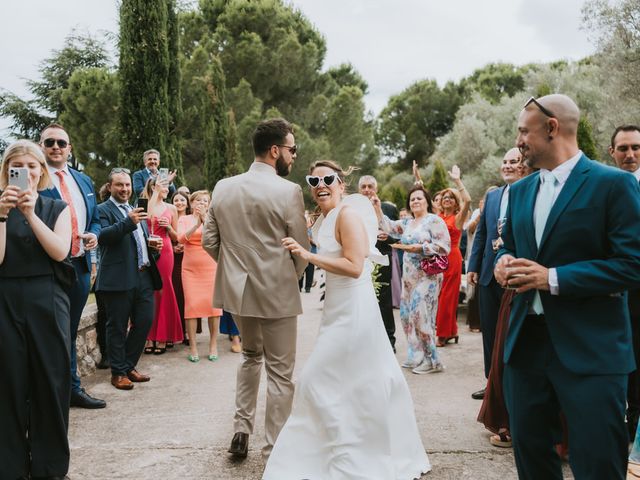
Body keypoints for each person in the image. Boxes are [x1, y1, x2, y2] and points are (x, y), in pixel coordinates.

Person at [494, 94, 640, 479]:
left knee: (598, 462)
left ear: (552, 128)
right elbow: (509, 245)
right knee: (531, 457)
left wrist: (552, 278)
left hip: (592, 349)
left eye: (524, 131)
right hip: (526, 347)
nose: (519, 140)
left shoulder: (614, 185)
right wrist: (502, 263)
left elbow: (632, 265)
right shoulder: (519, 191)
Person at [263, 160, 431, 479]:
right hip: (336, 307)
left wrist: (309, 256)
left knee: (315, 378)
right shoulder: (324, 218)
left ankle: (349, 450)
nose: (320, 184)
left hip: (354, 307)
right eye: (314, 179)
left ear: (342, 184)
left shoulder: (348, 215)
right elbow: (319, 242)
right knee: (348, 378)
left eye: (328, 178)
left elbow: (355, 265)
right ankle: (338, 444)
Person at [202, 118, 309, 459]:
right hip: (277, 290)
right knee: (280, 372)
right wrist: (285, 274)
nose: (294, 157)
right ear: (275, 150)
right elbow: (301, 250)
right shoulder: (288, 191)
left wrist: (236, 269)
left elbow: (209, 241)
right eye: (292, 150)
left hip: (240, 291)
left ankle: (240, 430)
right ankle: (275, 449)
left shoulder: (223, 187)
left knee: (249, 357)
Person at [0, 140, 72, 479]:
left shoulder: (55, 207)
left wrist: (29, 213)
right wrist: (3, 215)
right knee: (9, 382)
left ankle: (49, 467)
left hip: (47, 297)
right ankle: (10, 466)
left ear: (42, 171)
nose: (25, 172)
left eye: (32, 166)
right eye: (18, 165)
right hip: (6, 298)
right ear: (6, 171)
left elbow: (60, 251)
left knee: (50, 380)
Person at [38, 123, 106, 409]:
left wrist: (94, 233)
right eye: (49, 142)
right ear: (41, 146)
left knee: (70, 328)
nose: (56, 147)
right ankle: (48, 395)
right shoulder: (34, 180)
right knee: (49, 332)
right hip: (47, 268)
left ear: (70, 148)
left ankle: (72, 389)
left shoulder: (84, 181)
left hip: (78, 267)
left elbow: (94, 218)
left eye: (61, 143)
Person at [95, 168, 162, 390]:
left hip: (143, 275)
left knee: (144, 321)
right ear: (110, 186)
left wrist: (154, 249)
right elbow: (102, 237)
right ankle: (118, 373)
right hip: (117, 278)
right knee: (117, 326)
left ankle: (128, 365)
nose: (125, 189)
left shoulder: (135, 210)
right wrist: (128, 223)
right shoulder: (101, 210)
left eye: (127, 185)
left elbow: (138, 243)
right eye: (119, 185)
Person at [375, 184, 451, 374]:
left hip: (429, 275)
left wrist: (421, 248)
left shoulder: (433, 220)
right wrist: (377, 207)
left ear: (427, 201)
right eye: (412, 199)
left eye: (419, 198)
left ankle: (433, 361)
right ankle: (416, 355)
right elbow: (389, 227)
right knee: (406, 316)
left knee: (420, 315)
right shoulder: (408, 223)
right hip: (409, 277)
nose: (415, 201)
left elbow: (444, 247)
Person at [467, 148, 523, 400]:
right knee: (489, 332)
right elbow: (481, 234)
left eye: (515, 161)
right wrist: (473, 267)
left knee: (513, 333)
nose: (508, 166)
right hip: (489, 275)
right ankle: (491, 385)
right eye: (505, 161)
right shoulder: (492, 196)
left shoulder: (529, 193)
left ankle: (511, 386)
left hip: (517, 275)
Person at [608, 125, 640, 439]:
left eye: (635, 147)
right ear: (612, 152)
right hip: (611, 292)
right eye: (623, 148)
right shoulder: (605, 188)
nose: (630, 154)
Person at [178, 190, 222, 362]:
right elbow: (181, 239)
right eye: (198, 201)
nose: (202, 203)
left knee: (214, 308)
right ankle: (193, 347)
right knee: (191, 307)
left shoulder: (214, 220)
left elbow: (219, 238)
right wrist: (196, 224)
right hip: (190, 270)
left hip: (211, 267)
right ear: (192, 203)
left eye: (205, 201)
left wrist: (205, 220)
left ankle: (213, 344)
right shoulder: (184, 219)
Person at [141, 177, 183, 354]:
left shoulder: (171, 208)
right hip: (148, 250)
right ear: (152, 187)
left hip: (165, 250)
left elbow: (176, 238)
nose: (165, 188)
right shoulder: (145, 204)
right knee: (149, 290)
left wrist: (168, 228)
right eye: (161, 185)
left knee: (163, 289)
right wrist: (155, 192)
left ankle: (163, 336)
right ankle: (149, 336)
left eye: (166, 186)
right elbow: (146, 218)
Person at [358, 174, 399, 352]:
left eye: (370, 186)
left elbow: (397, 235)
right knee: (362, 299)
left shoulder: (389, 208)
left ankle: (390, 340)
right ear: (359, 190)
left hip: (383, 257)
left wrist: (387, 236)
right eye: (364, 187)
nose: (367, 190)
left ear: (376, 188)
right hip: (361, 258)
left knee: (384, 301)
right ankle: (367, 340)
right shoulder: (353, 208)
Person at [435, 166, 471, 346]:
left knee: (448, 296)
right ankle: (451, 331)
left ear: (456, 203)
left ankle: (443, 334)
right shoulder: (437, 217)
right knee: (438, 294)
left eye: (451, 197)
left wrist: (457, 180)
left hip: (452, 257)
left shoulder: (458, 218)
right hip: (437, 258)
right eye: (445, 197)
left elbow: (468, 200)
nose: (447, 199)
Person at [171, 190, 190, 344]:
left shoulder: (191, 218)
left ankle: (189, 331)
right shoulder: (169, 216)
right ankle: (176, 330)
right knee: (176, 293)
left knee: (187, 294)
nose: (179, 203)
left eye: (182, 200)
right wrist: (172, 248)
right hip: (173, 259)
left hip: (189, 257)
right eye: (176, 200)